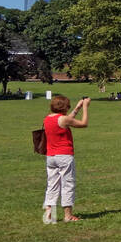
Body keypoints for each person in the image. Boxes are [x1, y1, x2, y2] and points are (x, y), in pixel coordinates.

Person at [43, 94, 89, 223]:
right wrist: (85, 107)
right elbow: (83, 123)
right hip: (64, 155)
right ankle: (68, 215)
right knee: (68, 184)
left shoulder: (47, 119)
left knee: (52, 184)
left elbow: (65, 120)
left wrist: (77, 107)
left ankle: (49, 213)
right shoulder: (63, 119)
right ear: (64, 107)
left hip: (51, 156)